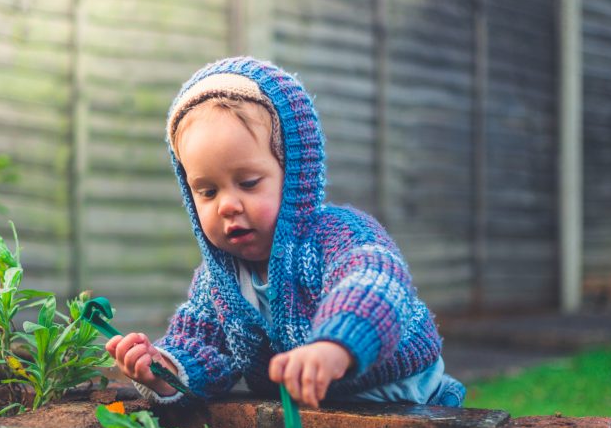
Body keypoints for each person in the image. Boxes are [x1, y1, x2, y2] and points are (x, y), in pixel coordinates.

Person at [105, 57, 464, 408]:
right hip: (318, 415)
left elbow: (374, 283)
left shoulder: (336, 237)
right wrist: (163, 370)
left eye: (248, 183)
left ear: (294, 175)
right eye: (208, 191)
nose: (227, 205)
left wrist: (334, 347)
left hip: (408, 396)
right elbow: (201, 348)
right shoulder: (218, 282)